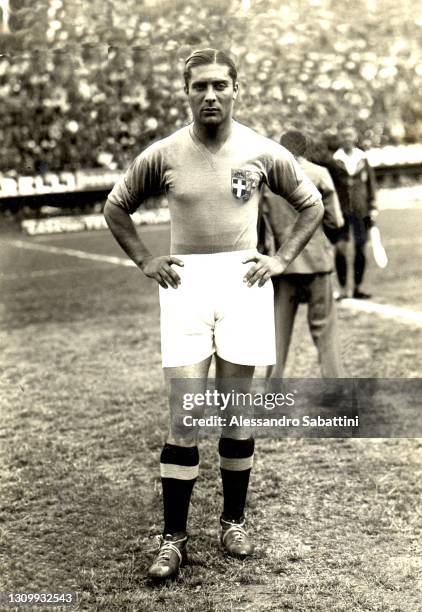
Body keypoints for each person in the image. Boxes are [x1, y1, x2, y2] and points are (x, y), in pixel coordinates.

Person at [103, 48, 323, 581]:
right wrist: (146, 259)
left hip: (245, 282)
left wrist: (281, 258)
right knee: (184, 419)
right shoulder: (165, 153)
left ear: (235, 89)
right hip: (185, 284)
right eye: (200, 86)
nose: (210, 95)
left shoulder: (261, 150)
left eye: (220, 85)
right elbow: (116, 207)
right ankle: (173, 539)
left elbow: (310, 204)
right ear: (186, 91)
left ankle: (233, 521)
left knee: (235, 415)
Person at [259, 130, 345, 379]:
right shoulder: (319, 174)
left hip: (282, 264)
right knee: (325, 332)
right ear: (305, 148)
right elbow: (335, 220)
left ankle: (270, 394)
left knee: (278, 333)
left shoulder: (268, 178)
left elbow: (261, 223)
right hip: (317, 261)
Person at [329, 126, 377, 299]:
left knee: (361, 248)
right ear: (340, 138)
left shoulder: (362, 158)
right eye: (344, 135)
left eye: (350, 135)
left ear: (355, 137)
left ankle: (357, 287)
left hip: (361, 210)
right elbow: (330, 187)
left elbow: (370, 184)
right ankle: (342, 289)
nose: (347, 138)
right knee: (340, 249)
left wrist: (373, 206)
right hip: (340, 210)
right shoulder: (334, 161)